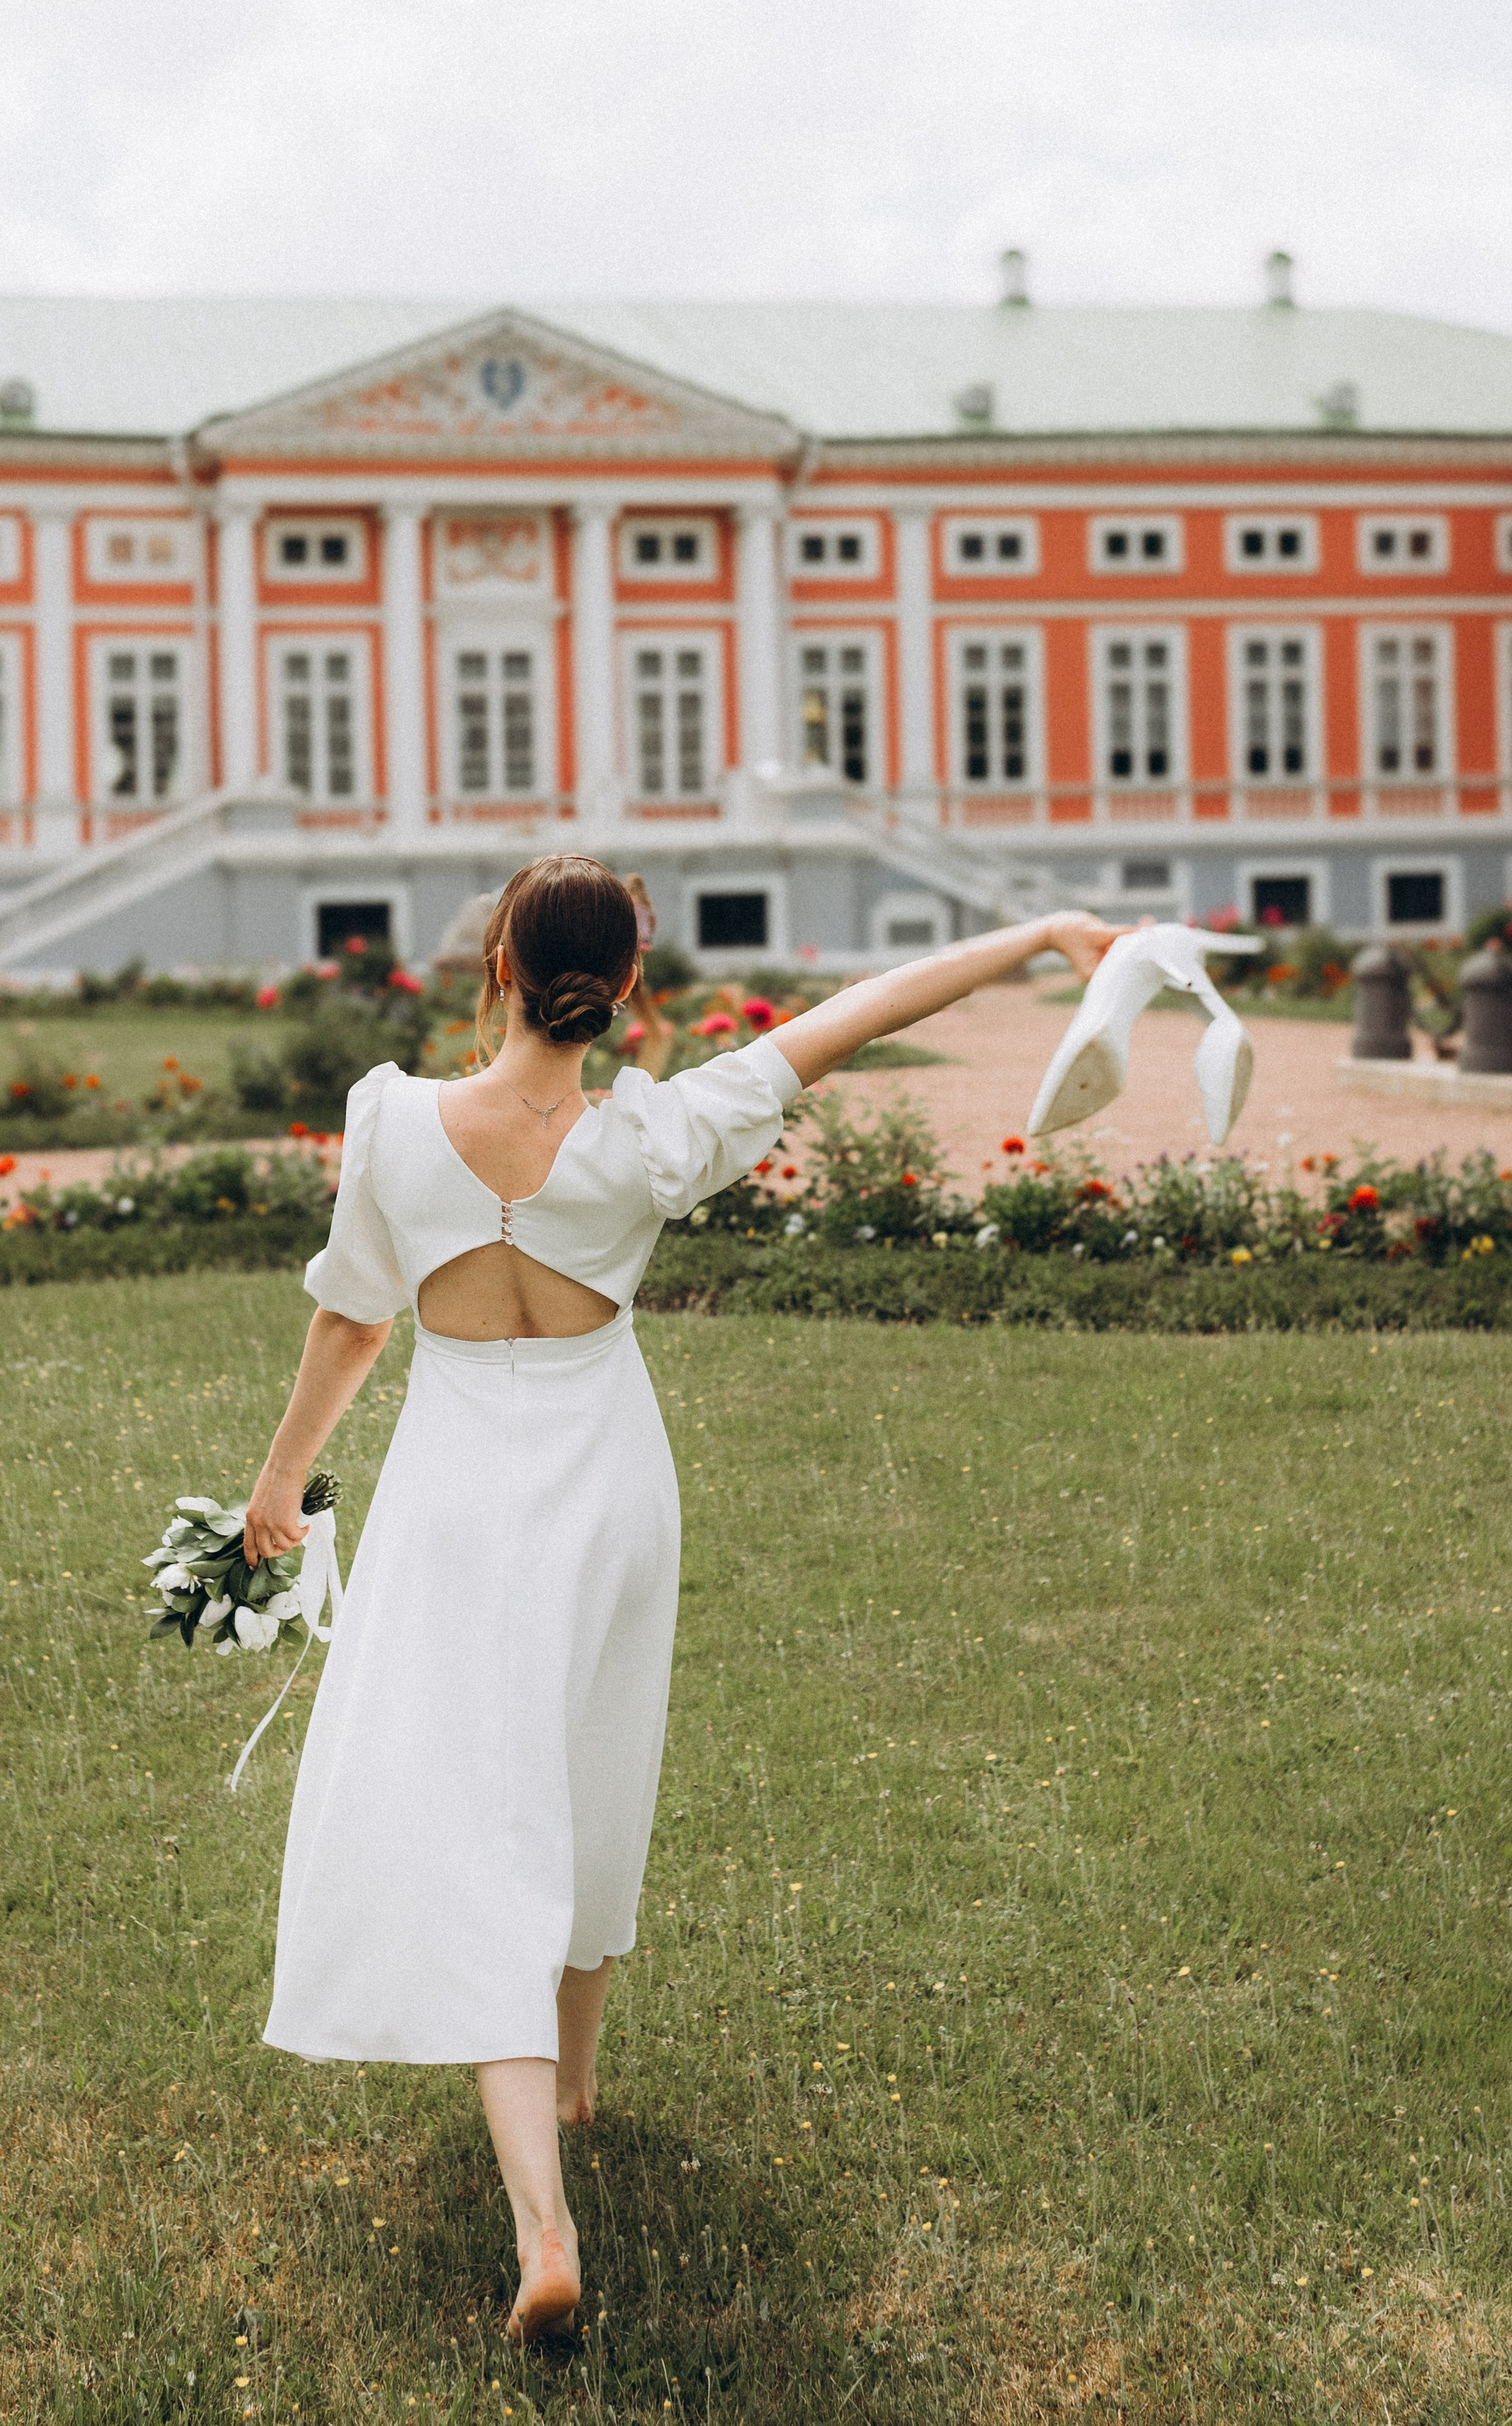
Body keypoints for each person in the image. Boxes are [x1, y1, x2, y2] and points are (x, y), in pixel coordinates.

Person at [242, 855, 1118, 2342]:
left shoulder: (392, 1121)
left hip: (457, 1497)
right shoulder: (653, 1134)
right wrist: (1040, 932)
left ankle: (544, 2221)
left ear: (498, 964)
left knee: (476, 1820)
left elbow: (348, 1318)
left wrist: (277, 1491)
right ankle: (575, 2084)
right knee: (583, 1769)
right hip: (605, 1492)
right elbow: (852, 1015)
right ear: (627, 983)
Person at [620, 871, 675, 1079]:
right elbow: (651, 926)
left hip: (631, 954)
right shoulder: (647, 906)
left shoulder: (629, 905)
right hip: (642, 950)